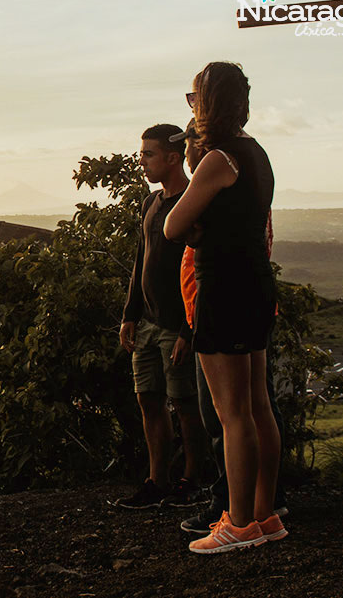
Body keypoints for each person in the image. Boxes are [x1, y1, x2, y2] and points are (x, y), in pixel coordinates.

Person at [164, 62, 285, 553]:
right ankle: (264, 515)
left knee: (232, 413)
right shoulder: (255, 152)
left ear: (208, 104)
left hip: (224, 290)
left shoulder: (219, 159)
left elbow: (173, 226)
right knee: (257, 406)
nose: (191, 109)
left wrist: (196, 226)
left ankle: (236, 523)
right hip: (255, 286)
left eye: (195, 100)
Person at [113, 123, 207, 510]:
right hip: (148, 323)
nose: (142, 162)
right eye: (141, 154)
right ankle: (157, 482)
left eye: (148, 155)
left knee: (185, 403)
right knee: (148, 400)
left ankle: (193, 481)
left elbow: (199, 268)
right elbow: (141, 260)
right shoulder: (150, 204)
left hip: (177, 325)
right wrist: (129, 314)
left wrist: (189, 329)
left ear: (173, 157)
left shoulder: (192, 200)